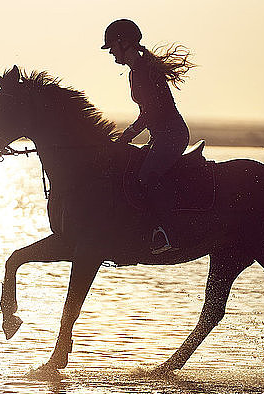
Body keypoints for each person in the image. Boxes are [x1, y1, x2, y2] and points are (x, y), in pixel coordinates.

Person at [101, 19, 195, 254]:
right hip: (159, 136)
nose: (112, 53)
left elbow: (151, 110)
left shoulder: (146, 70)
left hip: (172, 135)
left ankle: (163, 234)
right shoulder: (135, 72)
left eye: (112, 47)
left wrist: (128, 135)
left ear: (124, 43)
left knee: (146, 175)